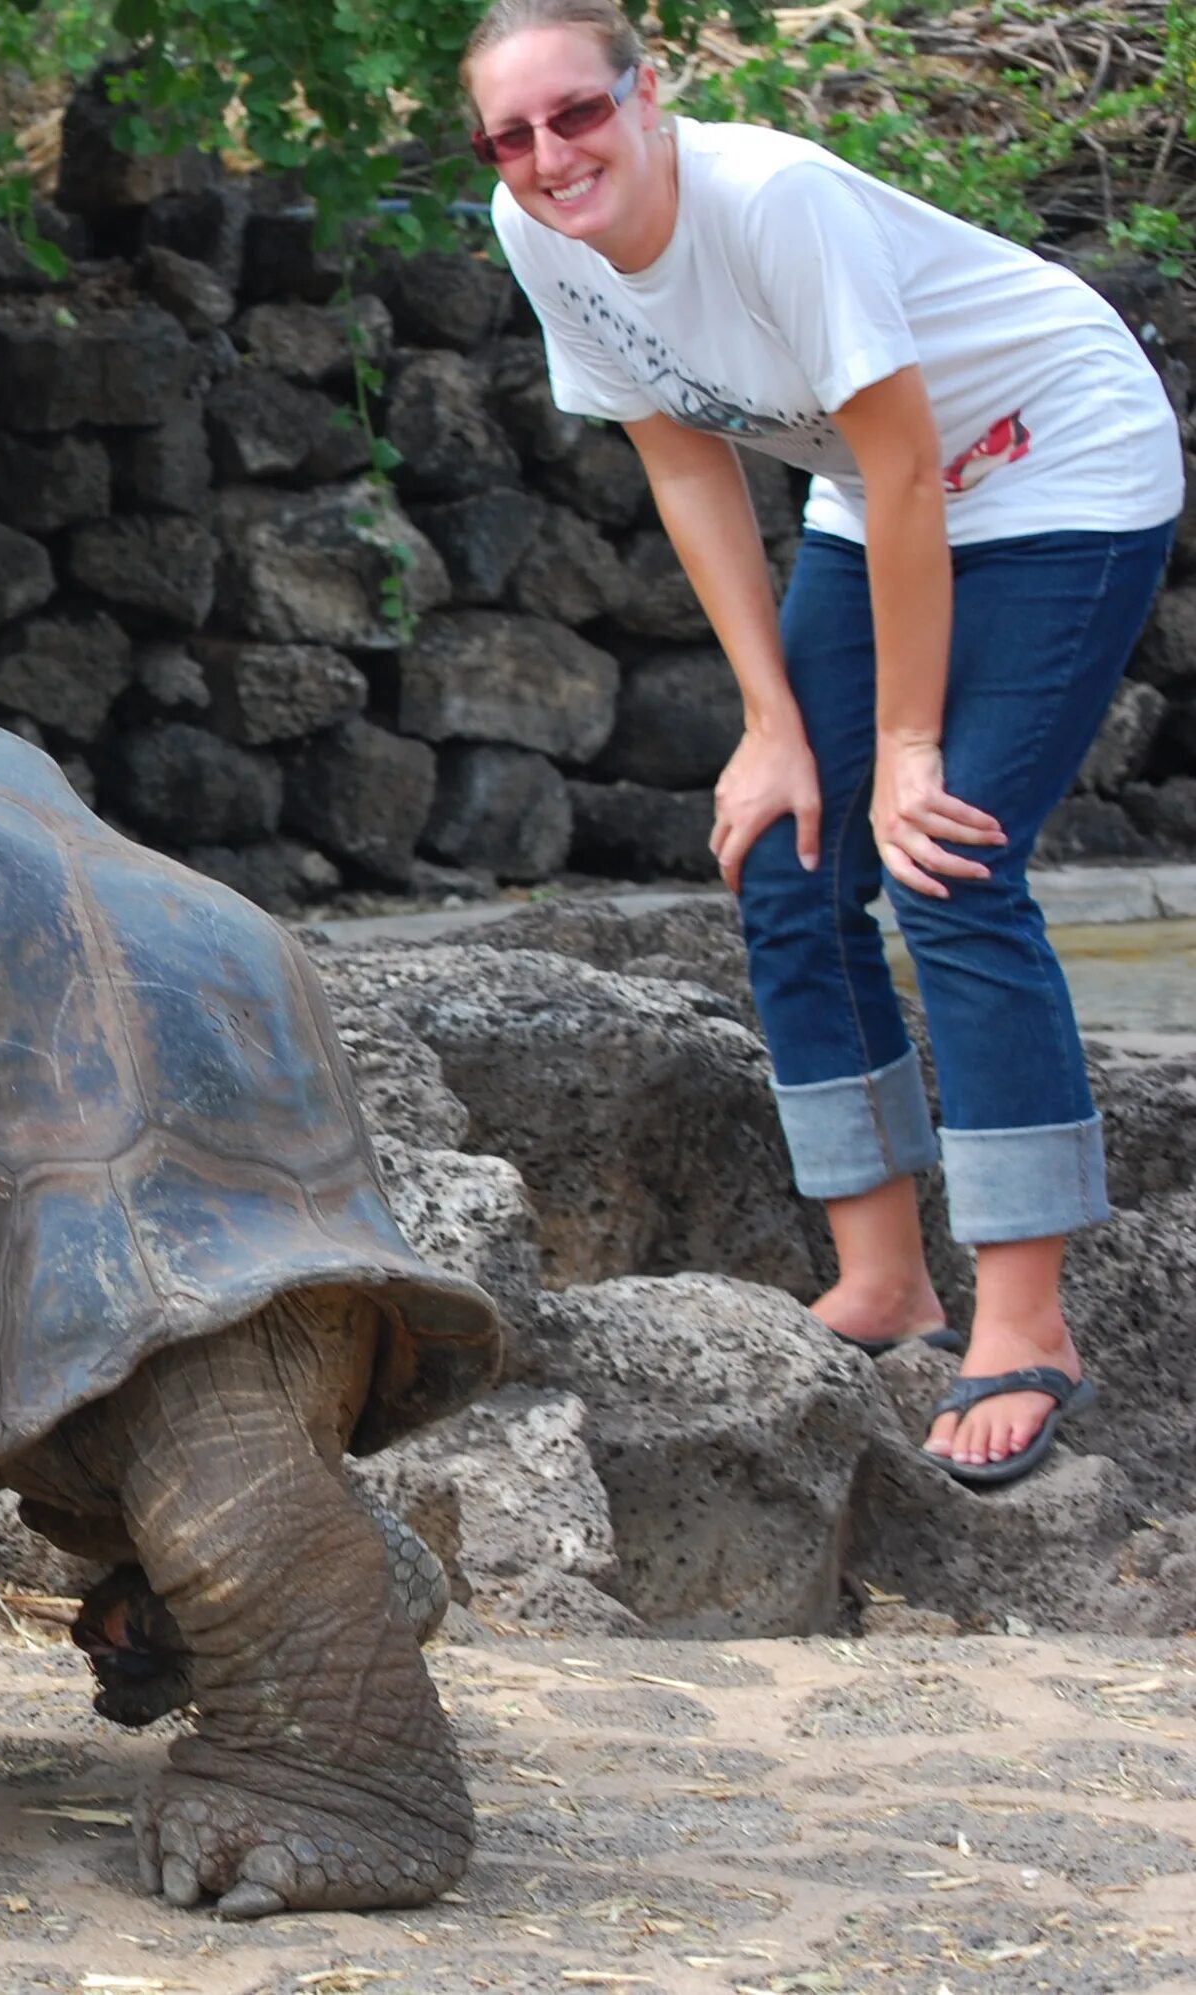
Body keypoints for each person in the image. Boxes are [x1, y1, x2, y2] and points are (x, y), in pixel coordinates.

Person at [466, 0, 1184, 1485]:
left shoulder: (773, 201)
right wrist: (773, 730)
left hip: (1051, 458)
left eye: (577, 114)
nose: (548, 155)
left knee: (948, 859)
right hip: (870, 499)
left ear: (645, 94)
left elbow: (915, 459)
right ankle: (883, 1278)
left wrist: (909, 746)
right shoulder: (537, 227)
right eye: (513, 134)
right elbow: (684, 460)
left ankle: (1026, 1322)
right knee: (786, 850)